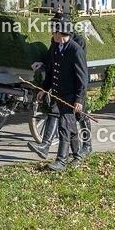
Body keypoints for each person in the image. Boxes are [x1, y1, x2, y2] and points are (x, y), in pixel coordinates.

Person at [29, 16, 88, 171]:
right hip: (58, 94)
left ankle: (61, 161)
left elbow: (83, 78)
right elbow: (51, 72)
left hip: (71, 96)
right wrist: (44, 89)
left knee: (64, 126)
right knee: (71, 128)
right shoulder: (56, 47)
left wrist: (79, 99)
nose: (52, 34)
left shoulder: (76, 50)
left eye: (55, 32)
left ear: (61, 33)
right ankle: (77, 156)